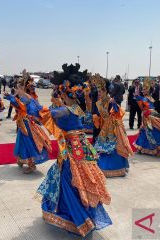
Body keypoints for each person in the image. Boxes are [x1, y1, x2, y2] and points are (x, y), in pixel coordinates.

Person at [37, 64, 112, 236]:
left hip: (73, 148)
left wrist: (25, 98)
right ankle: (86, 215)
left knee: (68, 178)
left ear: (64, 92)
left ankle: (78, 218)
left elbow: (40, 114)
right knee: (82, 178)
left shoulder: (63, 111)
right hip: (82, 145)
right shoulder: (77, 108)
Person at [5, 70, 52, 173]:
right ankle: (21, 160)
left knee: (29, 143)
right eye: (17, 87)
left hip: (28, 124)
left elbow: (25, 107)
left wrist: (9, 97)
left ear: (23, 88)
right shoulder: (23, 97)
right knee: (22, 142)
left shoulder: (28, 98)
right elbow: (18, 105)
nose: (17, 89)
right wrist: (11, 97)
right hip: (22, 123)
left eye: (20, 87)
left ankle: (31, 164)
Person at [92, 74, 133, 177]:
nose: (99, 93)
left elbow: (117, 113)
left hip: (112, 130)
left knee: (111, 148)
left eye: (100, 91)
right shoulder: (100, 102)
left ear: (105, 91)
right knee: (103, 148)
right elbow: (99, 115)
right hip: (104, 129)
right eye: (98, 91)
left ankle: (114, 168)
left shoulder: (110, 101)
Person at [133, 78, 160, 157]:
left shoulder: (146, 98)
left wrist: (138, 98)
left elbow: (145, 108)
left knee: (150, 133)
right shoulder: (149, 98)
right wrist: (138, 98)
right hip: (150, 115)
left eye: (144, 89)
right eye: (143, 89)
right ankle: (145, 149)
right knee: (149, 132)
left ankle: (155, 149)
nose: (143, 91)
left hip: (149, 117)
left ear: (148, 90)